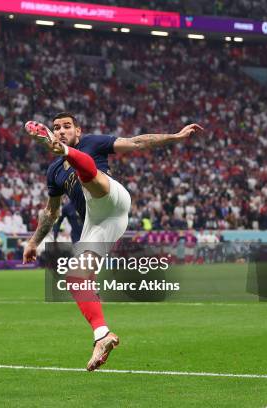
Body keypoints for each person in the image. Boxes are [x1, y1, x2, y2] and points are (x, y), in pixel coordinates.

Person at [23, 112, 202, 371]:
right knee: (75, 278)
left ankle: (67, 153)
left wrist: (176, 136)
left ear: (78, 131)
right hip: (100, 223)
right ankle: (102, 335)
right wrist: (33, 242)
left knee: (91, 178)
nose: (61, 130)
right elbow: (52, 212)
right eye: (56, 128)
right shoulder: (53, 172)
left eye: (66, 126)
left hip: (111, 197)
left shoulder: (93, 143)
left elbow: (138, 143)